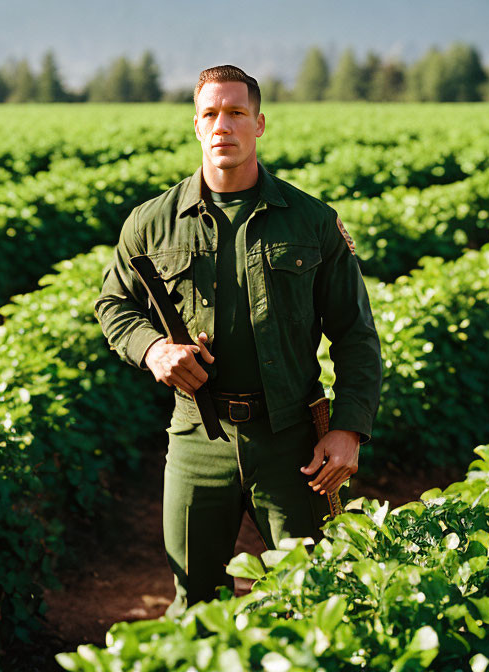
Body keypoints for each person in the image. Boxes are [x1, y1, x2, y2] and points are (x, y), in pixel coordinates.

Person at [95, 64, 382, 617]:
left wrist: (348, 429)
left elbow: (354, 334)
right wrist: (155, 350)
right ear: (196, 126)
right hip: (197, 438)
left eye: (236, 113)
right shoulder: (151, 223)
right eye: (210, 114)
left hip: (292, 443)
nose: (222, 125)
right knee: (194, 602)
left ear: (260, 124)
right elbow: (113, 305)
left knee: (310, 598)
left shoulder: (312, 222)